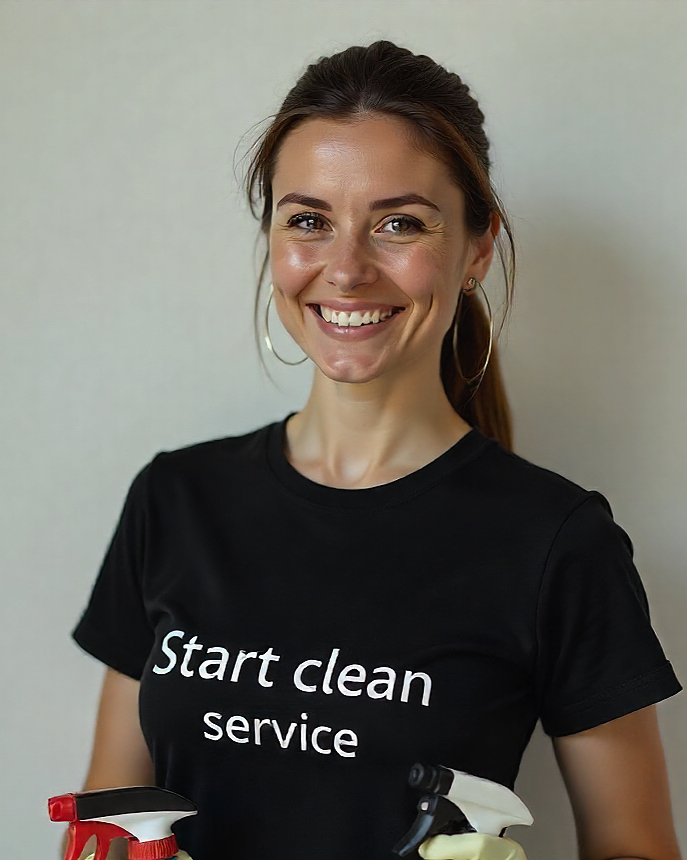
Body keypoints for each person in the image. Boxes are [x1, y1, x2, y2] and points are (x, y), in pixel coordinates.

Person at [70, 41, 682, 860]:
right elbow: (107, 822)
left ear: (474, 248)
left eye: (399, 223)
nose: (347, 268)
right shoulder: (174, 498)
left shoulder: (556, 542)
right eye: (309, 221)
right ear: (273, 240)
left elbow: (634, 849)